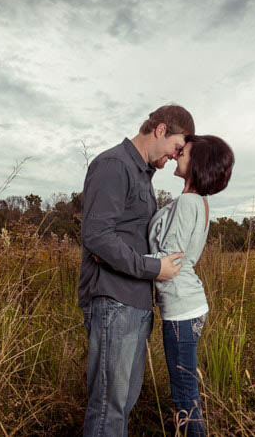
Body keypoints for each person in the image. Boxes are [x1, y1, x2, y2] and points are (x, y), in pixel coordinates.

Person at [78, 104, 194, 437]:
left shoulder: (142, 174)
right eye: (176, 148)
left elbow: (124, 237)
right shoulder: (114, 165)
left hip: (136, 302)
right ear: (160, 130)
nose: (175, 157)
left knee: (124, 403)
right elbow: (97, 236)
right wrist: (153, 267)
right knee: (108, 410)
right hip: (114, 300)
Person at [147, 135, 234, 437]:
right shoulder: (200, 202)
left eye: (186, 151)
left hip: (181, 309)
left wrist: (120, 257)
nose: (179, 152)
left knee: (185, 397)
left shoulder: (187, 202)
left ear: (199, 164)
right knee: (186, 392)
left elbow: (166, 261)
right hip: (190, 306)